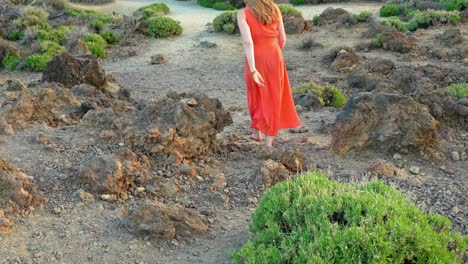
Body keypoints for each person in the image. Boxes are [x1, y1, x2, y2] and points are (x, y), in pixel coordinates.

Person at [237, 0, 301, 148]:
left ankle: (257, 133)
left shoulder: (242, 14)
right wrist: (274, 53)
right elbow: (283, 39)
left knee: (255, 94)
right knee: (273, 96)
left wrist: (253, 69)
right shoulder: (275, 8)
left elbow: (248, 42)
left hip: (255, 58)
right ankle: (267, 141)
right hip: (274, 56)